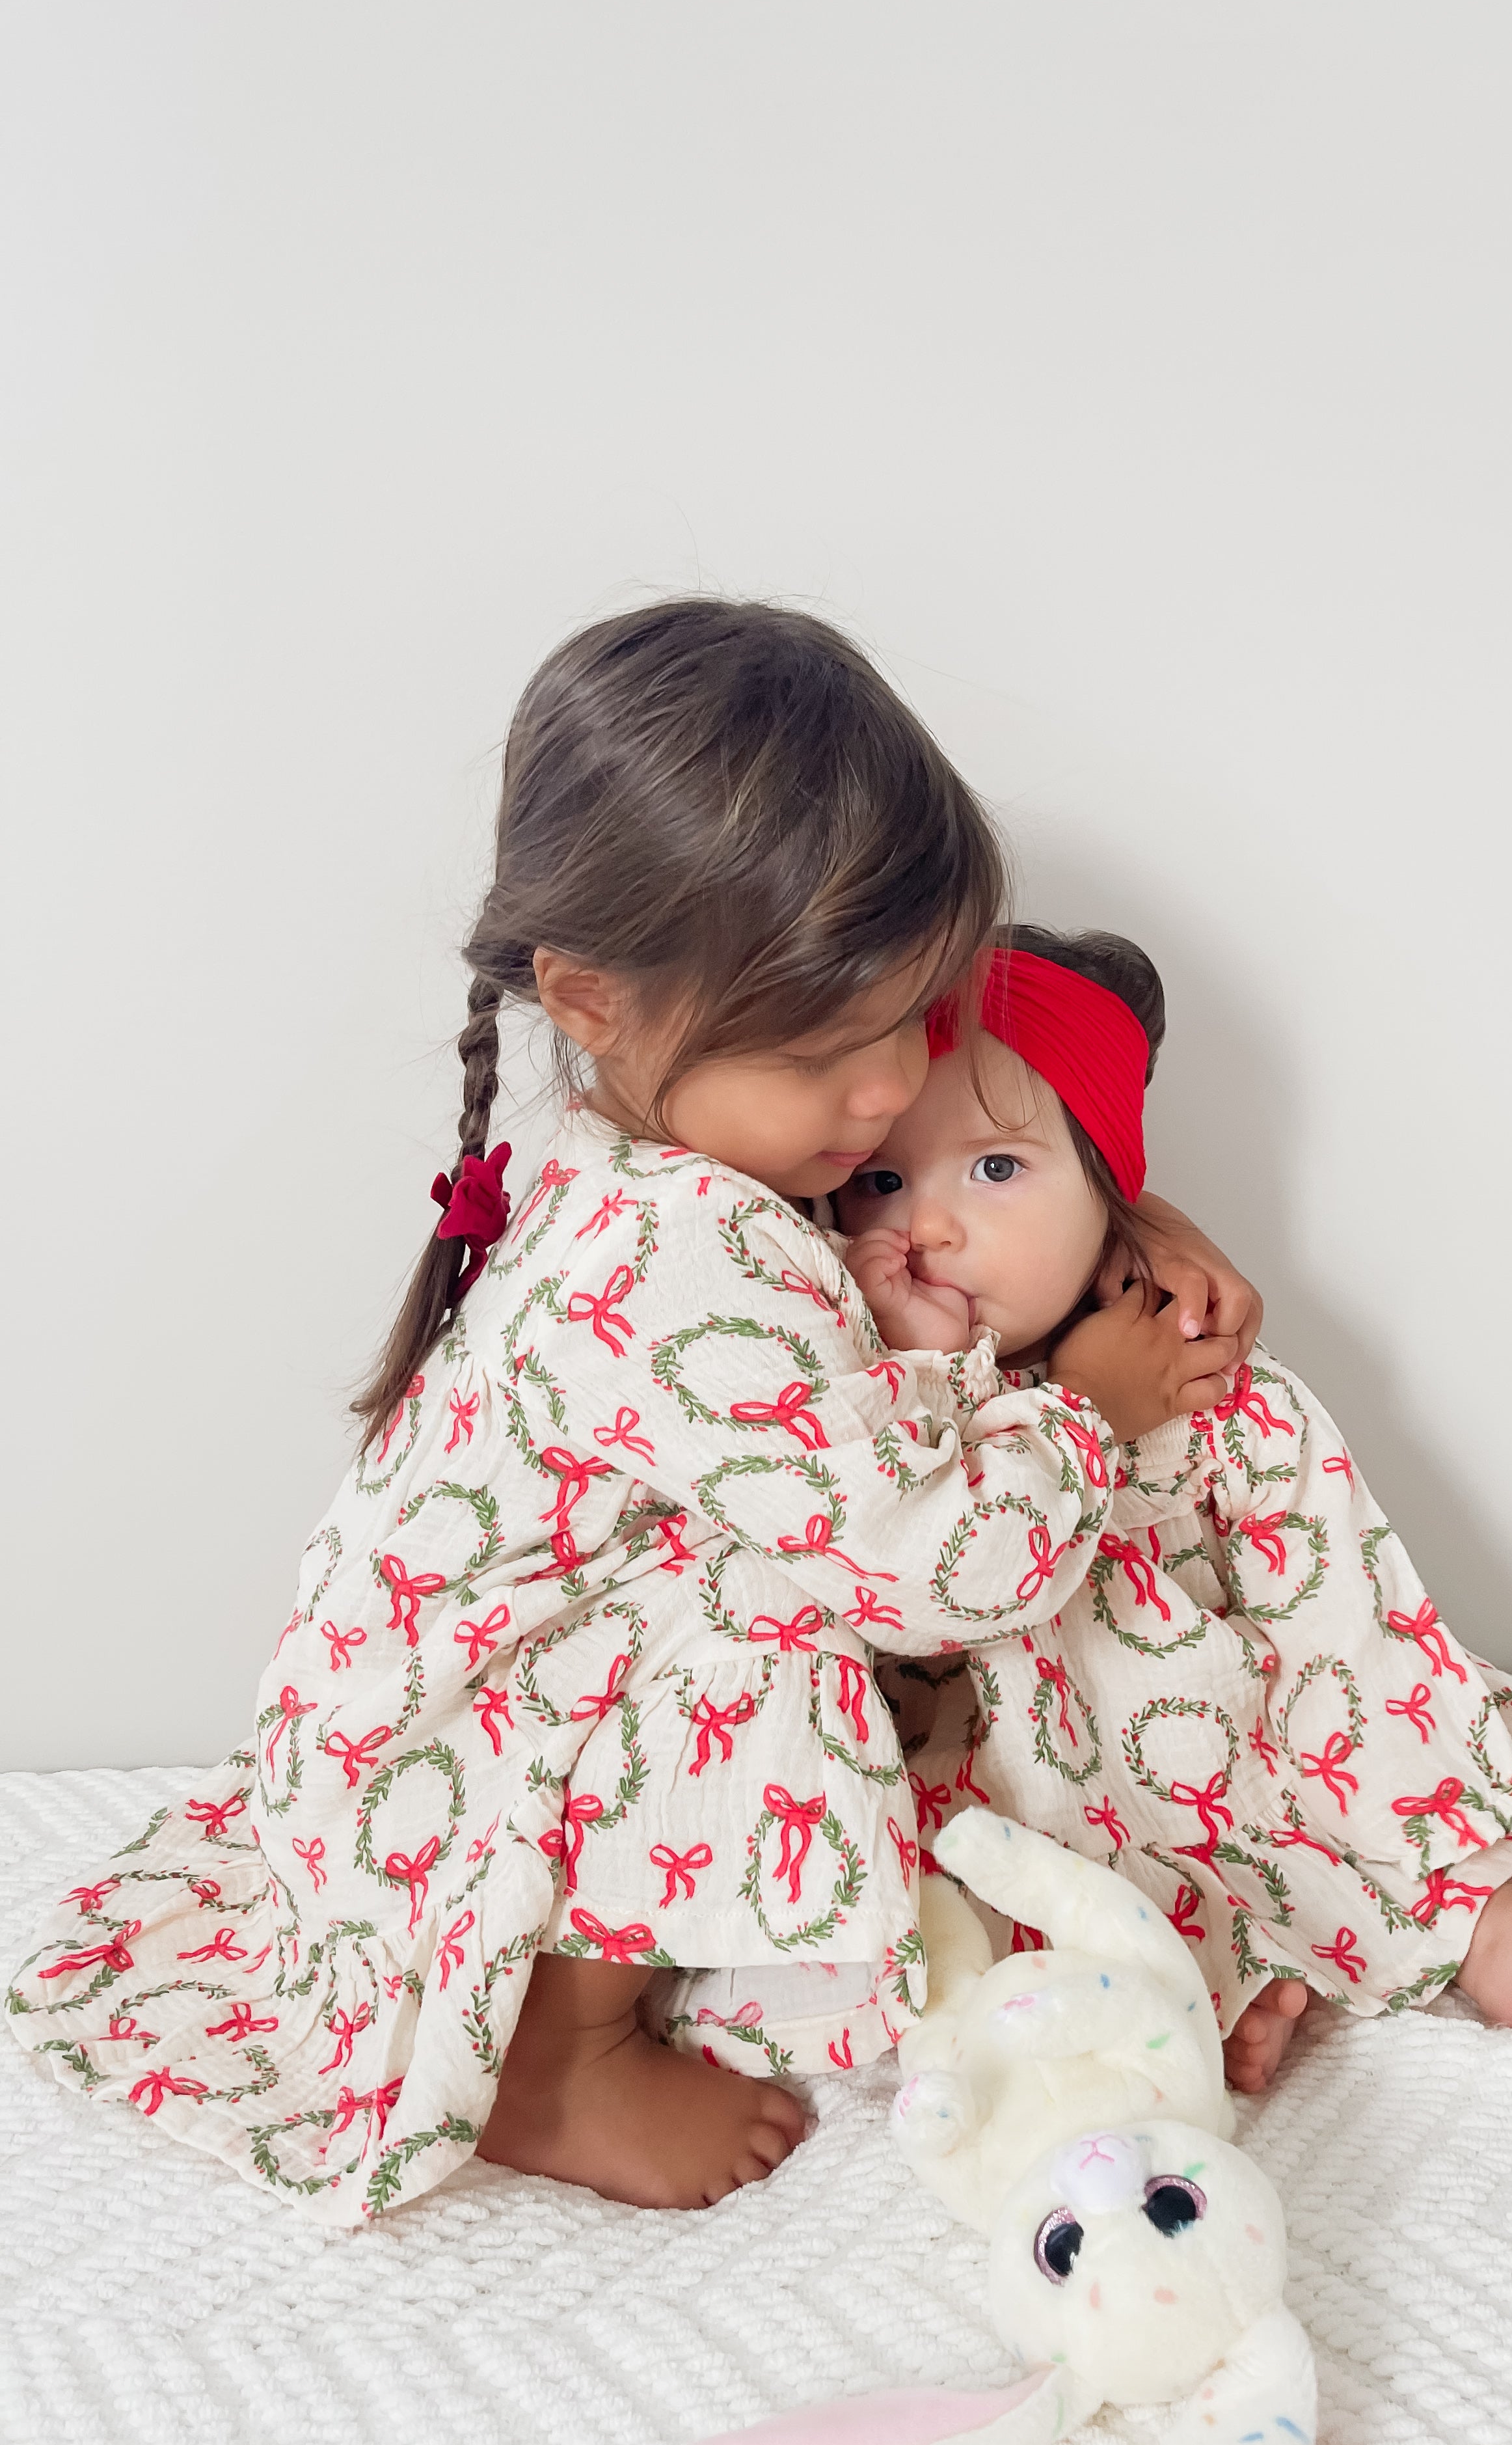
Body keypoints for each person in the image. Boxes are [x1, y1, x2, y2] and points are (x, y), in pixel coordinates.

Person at [4, 603, 1260, 2222]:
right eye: (830, 1051)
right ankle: (554, 2058)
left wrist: (1122, 1221)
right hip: (439, 1780)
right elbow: (926, 1565)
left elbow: (940, 1192)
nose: (889, 1095)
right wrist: (1082, 1405)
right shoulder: (690, 1253)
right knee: (772, 1599)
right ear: (593, 999)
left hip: (401, 1733)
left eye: (914, 1017)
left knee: (798, 1572)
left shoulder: (663, 1152)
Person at [830, 926, 1512, 2093]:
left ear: (1111, 1193)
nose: (926, 1225)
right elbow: (900, 1573)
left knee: (1342, 1711)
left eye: (994, 1170)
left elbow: (1340, 1615)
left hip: (1245, 1720)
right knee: (995, 1884)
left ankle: (1494, 1928)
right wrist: (944, 1381)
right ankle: (1212, 1984)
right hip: (1019, 1760)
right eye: (882, 1181)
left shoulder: (1198, 1373)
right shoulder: (861, 1387)